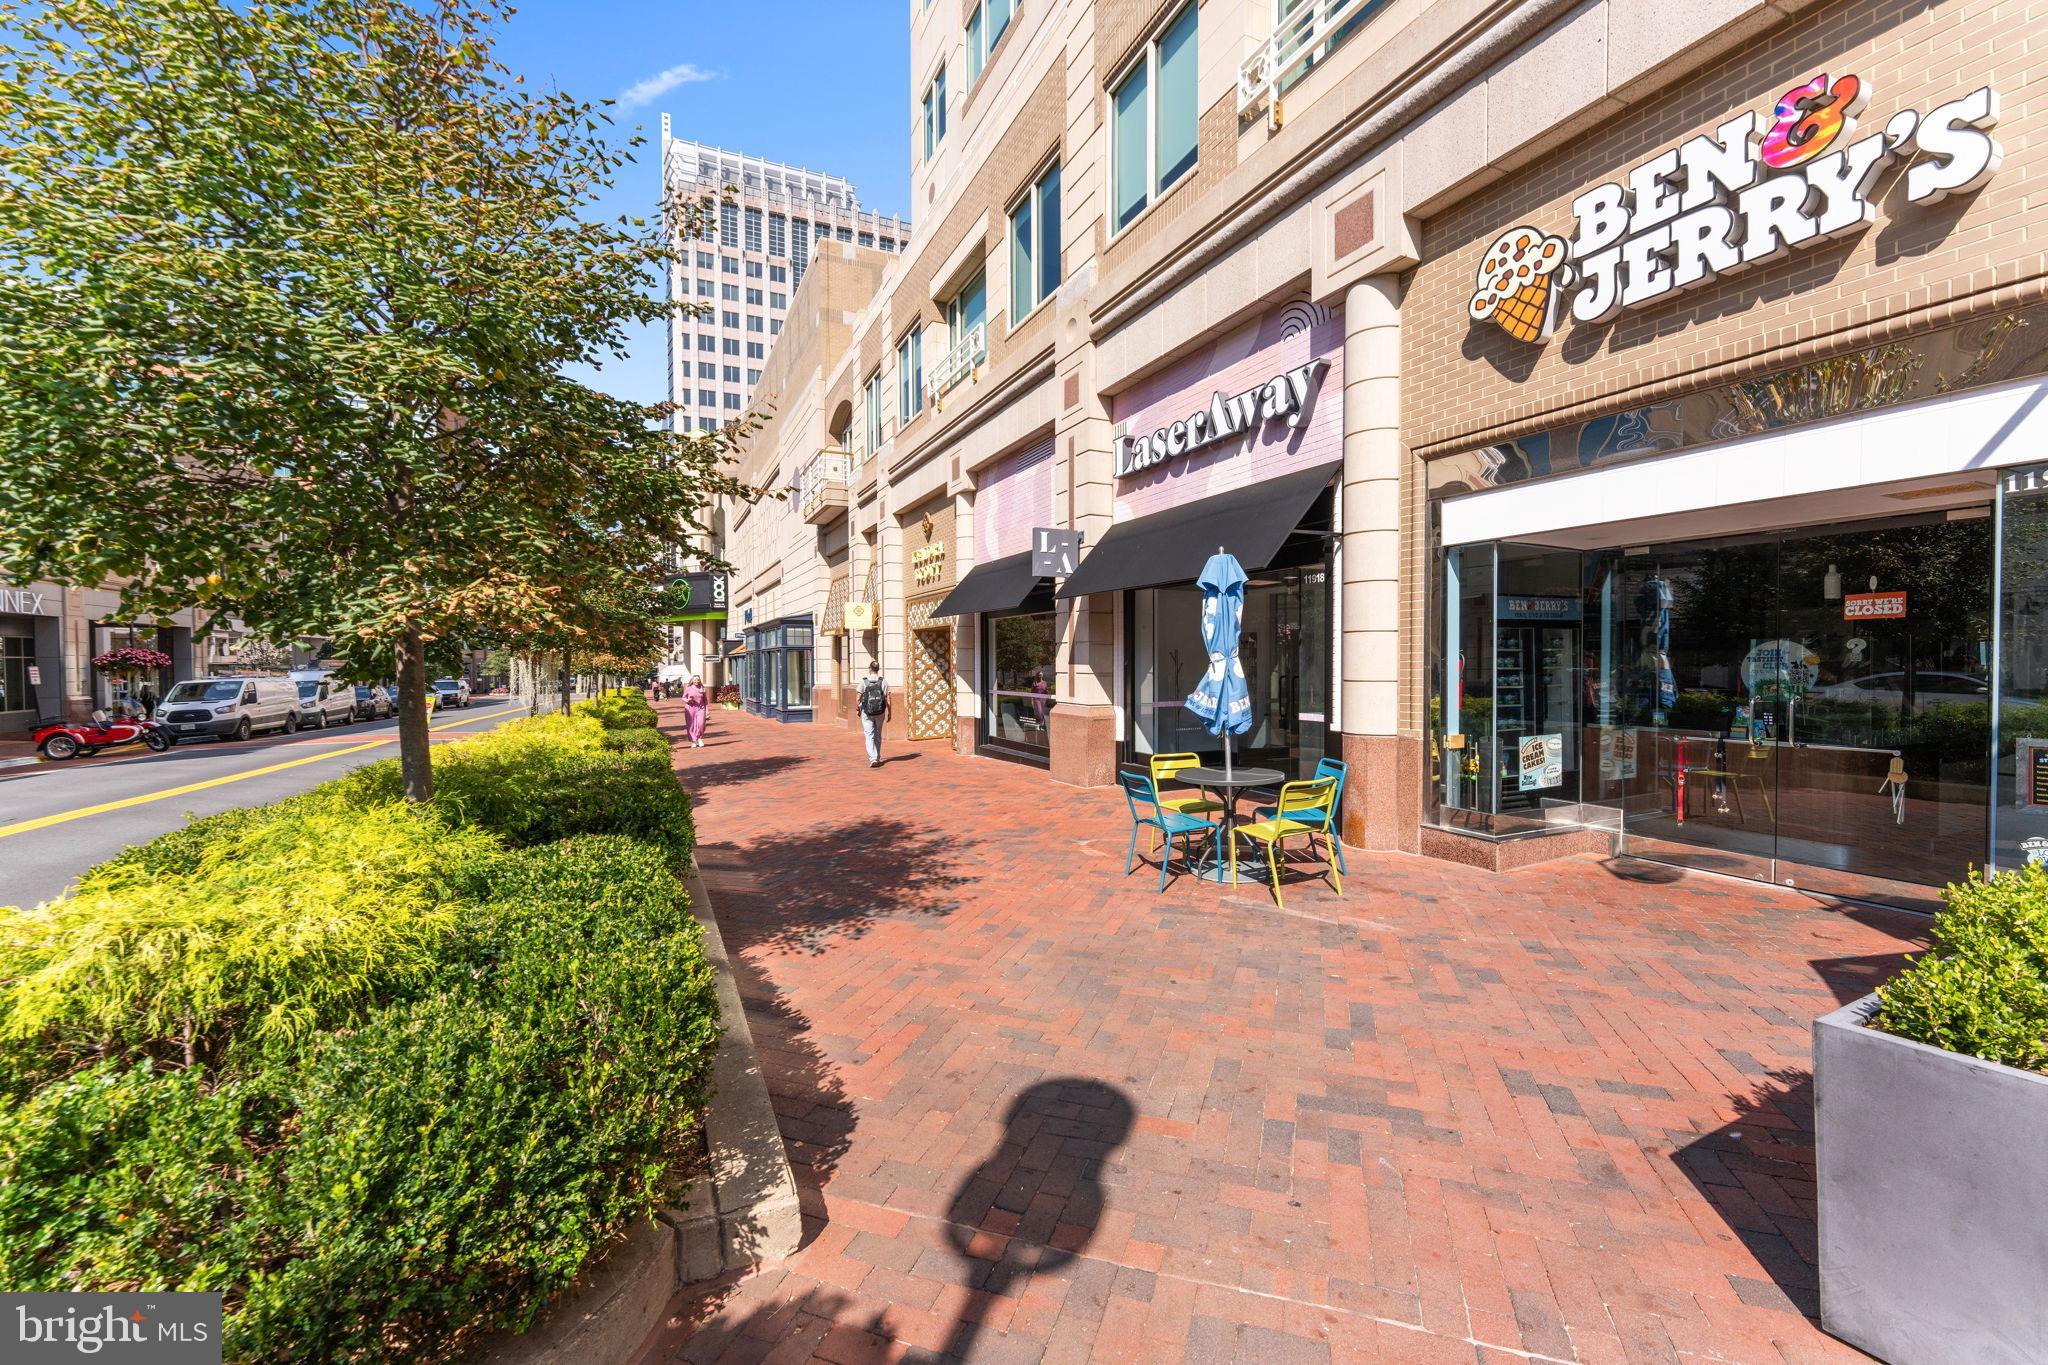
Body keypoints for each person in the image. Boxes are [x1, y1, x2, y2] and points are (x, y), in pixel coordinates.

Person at [857, 660, 890, 768]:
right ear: (878, 669)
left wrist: (858, 708)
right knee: (878, 735)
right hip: (880, 712)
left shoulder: (864, 681)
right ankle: (877, 756)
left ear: (870, 669)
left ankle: (873, 758)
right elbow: (888, 699)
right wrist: (890, 712)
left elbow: (858, 698)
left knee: (869, 735)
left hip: (867, 712)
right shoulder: (883, 681)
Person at [681, 675, 709, 748]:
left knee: (701, 724)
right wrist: (688, 700)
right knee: (691, 725)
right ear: (692, 681)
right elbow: (683, 697)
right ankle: (694, 740)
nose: (696, 681)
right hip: (690, 708)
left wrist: (707, 711)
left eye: (698, 680)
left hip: (701, 708)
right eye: (695, 680)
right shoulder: (688, 688)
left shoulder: (702, 689)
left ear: (700, 681)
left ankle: (700, 738)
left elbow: (705, 700)